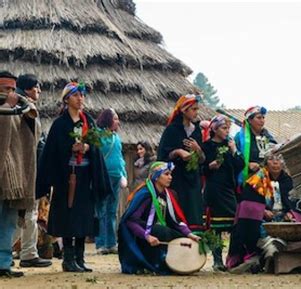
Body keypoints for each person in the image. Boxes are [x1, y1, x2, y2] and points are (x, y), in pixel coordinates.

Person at [36, 82, 112, 272]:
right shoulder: (60, 124)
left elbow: (96, 146)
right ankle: (68, 259)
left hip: (85, 177)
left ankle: (80, 257)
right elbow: (52, 151)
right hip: (66, 178)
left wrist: (87, 148)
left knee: (83, 216)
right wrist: (69, 148)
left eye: (82, 95)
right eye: (76, 95)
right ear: (67, 99)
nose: (80, 99)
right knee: (67, 216)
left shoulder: (88, 121)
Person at [118, 161, 201, 274]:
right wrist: (147, 237)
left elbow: (175, 221)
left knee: (179, 237)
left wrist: (190, 235)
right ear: (156, 177)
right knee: (162, 231)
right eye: (166, 174)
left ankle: (178, 264)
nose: (170, 177)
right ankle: (156, 263)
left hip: (157, 231)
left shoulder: (168, 195)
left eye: (170, 174)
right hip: (141, 236)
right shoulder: (145, 194)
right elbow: (131, 221)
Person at [0, 71, 39, 277]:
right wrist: (6, 107)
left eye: (13, 89)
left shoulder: (18, 109)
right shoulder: (6, 109)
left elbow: (30, 139)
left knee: (8, 222)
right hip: (1, 175)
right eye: (6, 89)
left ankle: (3, 264)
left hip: (14, 178)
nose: (11, 93)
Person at [13, 74, 52, 268]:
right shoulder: (22, 107)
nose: (39, 91)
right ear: (28, 89)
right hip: (25, 167)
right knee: (26, 212)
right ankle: (28, 253)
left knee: (26, 212)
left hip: (29, 165)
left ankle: (28, 251)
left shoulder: (24, 106)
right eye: (36, 87)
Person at [202, 115, 244, 271]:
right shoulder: (206, 146)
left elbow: (240, 165)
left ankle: (232, 258)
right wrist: (209, 167)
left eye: (228, 128)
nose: (227, 131)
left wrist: (234, 150)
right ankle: (217, 260)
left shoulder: (229, 145)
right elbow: (200, 169)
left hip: (228, 190)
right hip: (213, 190)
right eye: (223, 128)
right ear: (214, 129)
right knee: (214, 227)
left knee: (235, 225)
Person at [157, 94, 205, 230]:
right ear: (184, 110)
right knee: (178, 211)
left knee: (194, 214)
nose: (196, 112)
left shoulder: (196, 131)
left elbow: (202, 159)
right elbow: (163, 155)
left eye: (197, 109)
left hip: (193, 180)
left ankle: (193, 244)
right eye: (193, 109)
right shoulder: (172, 130)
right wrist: (178, 152)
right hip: (177, 179)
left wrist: (198, 149)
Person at [226, 167, 274, 273]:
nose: (275, 164)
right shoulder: (256, 181)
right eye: (271, 160)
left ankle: (261, 259)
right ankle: (248, 258)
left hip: (277, 217)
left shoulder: (285, 180)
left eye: (278, 161)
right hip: (256, 219)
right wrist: (263, 211)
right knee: (245, 228)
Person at [95, 108, 128, 255]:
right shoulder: (99, 136)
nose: (117, 121)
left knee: (112, 211)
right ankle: (101, 243)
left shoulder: (117, 138)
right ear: (107, 120)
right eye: (115, 118)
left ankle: (111, 243)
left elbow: (120, 158)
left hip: (116, 177)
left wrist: (123, 174)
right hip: (103, 176)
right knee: (101, 210)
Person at [234, 106, 277, 189]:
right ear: (249, 120)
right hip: (248, 180)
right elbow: (234, 158)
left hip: (267, 179)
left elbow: (275, 152)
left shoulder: (268, 137)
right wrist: (247, 164)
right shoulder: (240, 138)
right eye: (259, 118)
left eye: (263, 118)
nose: (262, 121)